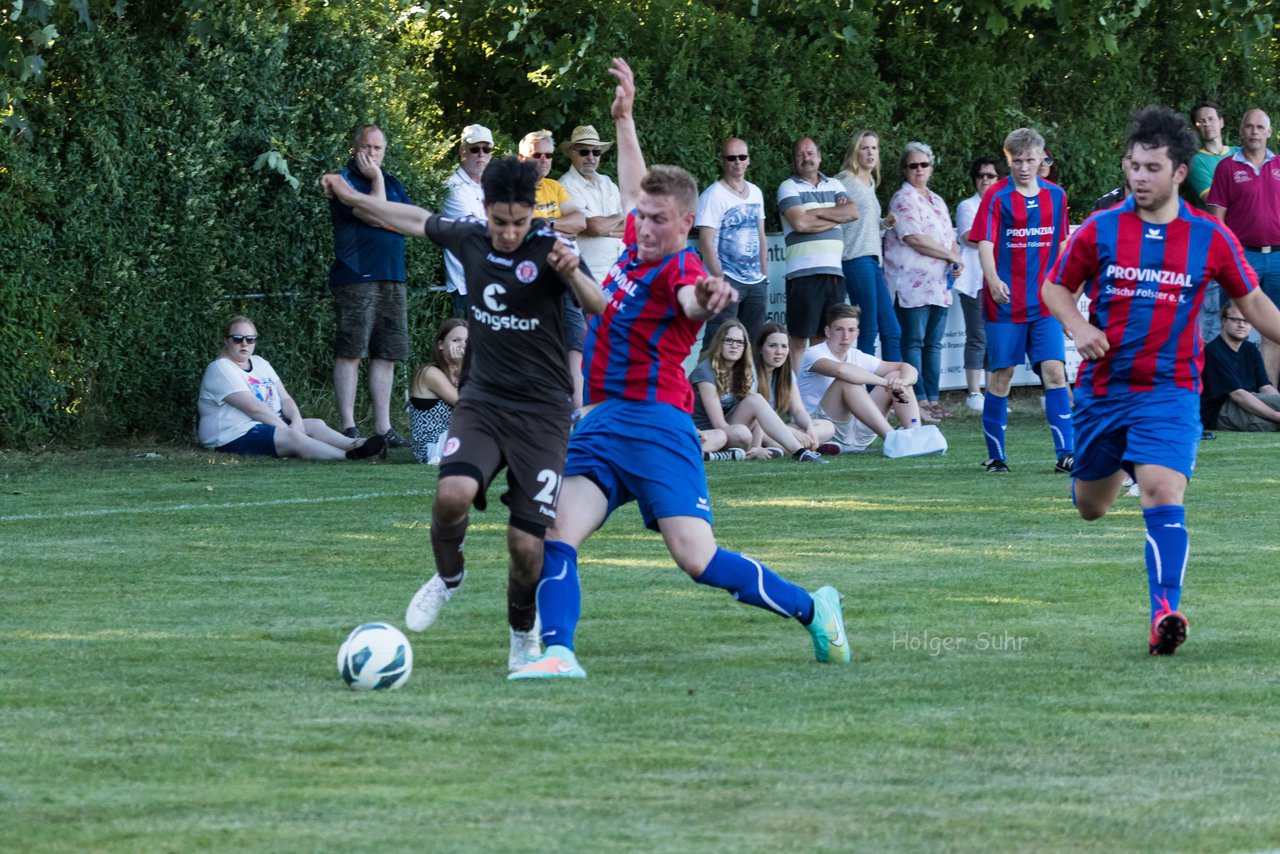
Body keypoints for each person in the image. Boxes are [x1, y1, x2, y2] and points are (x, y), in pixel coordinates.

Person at [510, 57, 850, 680]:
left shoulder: (681, 270)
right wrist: (625, 119)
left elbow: (693, 300)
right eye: (640, 216)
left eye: (657, 220)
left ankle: (812, 607)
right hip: (602, 424)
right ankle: (558, 653)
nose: (642, 224)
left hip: (657, 427)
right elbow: (633, 198)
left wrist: (711, 300)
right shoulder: (631, 261)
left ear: (685, 225)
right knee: (556, 535)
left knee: (697, 558)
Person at [321, 155, 607, 674]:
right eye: (501, 222)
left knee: (525, 545)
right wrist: (352, 196)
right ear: (486, 211)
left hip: (543, 415)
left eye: (520, 223)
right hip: (483, 401)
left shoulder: (552, 248)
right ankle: (448, 578)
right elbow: (409, 218)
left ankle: (522, 635)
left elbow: (600, 305)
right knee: (451, 493)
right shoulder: (470, 236)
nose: (509, 233)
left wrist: (573, 274)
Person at [1042, 104, 1280, 656]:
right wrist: (1077, 326)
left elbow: (1257, 305)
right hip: (1104, 392)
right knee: (1090, 507)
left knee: (1164, 490)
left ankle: (1164, 613)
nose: (1139, 177)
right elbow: (1057, 288)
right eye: (1133, 166)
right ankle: (1117, 467)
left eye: (1151, 168)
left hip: (1172, 391)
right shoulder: (1101, 229)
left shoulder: (1210, 236)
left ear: (1179, 172)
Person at [970, 128, 1073, 474]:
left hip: (1044, 304)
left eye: (1031, 159)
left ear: (1043, 158)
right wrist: (994, 278)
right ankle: (996, 456)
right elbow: (984, 242)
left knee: (1055, 373)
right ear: (1008, 160)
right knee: (1002, 376)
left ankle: (1067, 454)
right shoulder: (996, 197)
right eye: (1017, 160)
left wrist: (1065, 286)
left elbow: (1061, 244)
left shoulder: (1056, 196)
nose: (1025, 167)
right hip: (1006, 303)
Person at [326, 123, 411, 448]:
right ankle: (348, 426)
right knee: (351, 351)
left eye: (377, 149)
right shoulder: (343, 180)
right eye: (366, 147)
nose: (371, 154)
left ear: (384, 152)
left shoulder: (393, 182)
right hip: (355, 275)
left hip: (393, 275)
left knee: (386, 353)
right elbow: (377, 216)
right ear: (354, 148)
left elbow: (405, 219)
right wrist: (377, 188)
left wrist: (389, 216)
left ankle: (383, 427)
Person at [198, 316, 386, 460]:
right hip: (232, 435)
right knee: (293, 437)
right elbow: (254, 408)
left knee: (315, 424)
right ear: (226, 340)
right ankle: (346, 456)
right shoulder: (220, 368)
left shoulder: (259, 362)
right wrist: (290, 429)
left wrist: (296, 420)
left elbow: (285, 398)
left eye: (250, 339)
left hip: (265, 425)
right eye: (238, 339)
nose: (245, 344)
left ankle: (359, 444)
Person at [884, 141, 960, 422]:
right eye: (913, 165)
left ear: (931, 167)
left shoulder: (937, 200)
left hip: (938, 283)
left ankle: (933, 398)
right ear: (905, 170)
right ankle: (917, 399)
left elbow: (949, 236)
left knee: (933, 344)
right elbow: (913, 238)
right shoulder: (902, 198)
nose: (919, 169)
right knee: (913, 342)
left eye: (923, 164)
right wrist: (952, 256)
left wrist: (955, 258)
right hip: (910, 283)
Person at [1207, 109, 1280, 385]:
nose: (1254, 132)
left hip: (1277, 258)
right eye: (1249, 126)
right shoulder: (1227, 168)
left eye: (1260, 127)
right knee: (1233, 324)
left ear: (1269, 132)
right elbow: (1217, 220)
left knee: (1275, 330)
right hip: (1242, 257)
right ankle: (1232, 391)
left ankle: (1269, 393)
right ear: (1240, 131)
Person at [519, 129, 589, 409]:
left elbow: (580, 221)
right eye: (538, 155)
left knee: (577, 339)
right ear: (522, 158)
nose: (545, 160)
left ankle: (577, 410)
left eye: (548, 155)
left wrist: (545, 225)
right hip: (531, 279)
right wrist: (559, 226)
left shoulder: (554, 187)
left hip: (566, 275)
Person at [690, 320, 827, 462]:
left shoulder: (744, 370)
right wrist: (752, 444)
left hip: (731, 428)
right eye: (728, 340)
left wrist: (757, 447)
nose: (734, 345)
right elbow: (719, 424)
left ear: (745, 346)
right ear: (719, 343)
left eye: (739, 342)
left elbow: (756, 414)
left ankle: (799, 452)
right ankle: (728, 453)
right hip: (707, 432)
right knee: (739, 433)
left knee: (756, 400)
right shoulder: (705, 371)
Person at [797, 304, 925, 455]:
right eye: (839, 329)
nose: (845, 336)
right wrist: (886, 383)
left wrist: (902, 382)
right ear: (828, 331)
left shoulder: (858, 355)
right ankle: (894, 439)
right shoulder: (814, 353)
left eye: (851, 330)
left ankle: (915, 435)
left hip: (861, 429)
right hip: (825, 428)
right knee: (847, 382)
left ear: (857, 333)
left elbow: (908, 368)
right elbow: (842, 370)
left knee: (896, 376)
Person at [778, 136, 860, 371]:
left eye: (811, 153)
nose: (806, 158)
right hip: (803, 274)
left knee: (825, 339)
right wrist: (835, 214)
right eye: (801, 154)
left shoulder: (834, 184)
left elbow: (853, 212)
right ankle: (795, 396)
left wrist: (814, 213)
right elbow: (800, 223)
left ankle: (819, 396)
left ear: (819, 156)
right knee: (799, 339)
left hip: (833, 272)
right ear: (794, 159)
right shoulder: (788, 186)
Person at [695, 137, 769, 349]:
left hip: (756, 281)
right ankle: (705, 382)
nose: (737, 162)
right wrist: (720, 278)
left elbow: (761, 235)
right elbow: (706, 242)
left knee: (752, 344)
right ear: (722, 161)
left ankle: (746, 383)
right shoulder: (713, 195)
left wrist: (763, 275)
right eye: (731, 157)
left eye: (742, 157)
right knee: (718, 342)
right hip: (728, 279)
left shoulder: (756, 192)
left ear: (748, 160)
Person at [836, 130, 902, 360]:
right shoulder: (844, 180)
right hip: (855, 259)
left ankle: (894, 391)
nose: (870, 152)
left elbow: (862, 221)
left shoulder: (870, 182)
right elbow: (840, 217)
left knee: (892, 330)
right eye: (865, 147)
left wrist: (884, 223)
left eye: (874, 148)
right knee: (868, 329)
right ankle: (863, 392)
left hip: (873, 261)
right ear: (855, 152)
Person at [954, 156, 1001, 411]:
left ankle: (993, 393)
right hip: (974, 278)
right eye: (981, 175)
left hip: (999, 278)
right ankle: (974, 393)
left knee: (995, 336)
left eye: (990, 175)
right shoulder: (968, 206)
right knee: (978, 336)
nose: (985, 179)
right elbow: (969, 237)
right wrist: (999, 235)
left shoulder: (1005, 203)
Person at [1187, 102, 1237, 342]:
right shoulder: (1197, 162)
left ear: (1221, 121)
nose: (1206, 124)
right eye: (1200, 121)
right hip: (1213, 245)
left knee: (1242, 314)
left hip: (1247, 244)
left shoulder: (1238, 152)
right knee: (1211, 315)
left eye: (1210, 118)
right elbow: (1214, 200)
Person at [560, 125, 626, 286]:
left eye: (596, 152)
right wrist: (620, 216)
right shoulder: (565, 186)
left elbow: (632, 224)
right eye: (584, 151)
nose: (591, 157)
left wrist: (606, 228)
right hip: (590, 275)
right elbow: (593, 227)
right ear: (571, 153)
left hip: (620, 271)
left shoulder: (607, 182)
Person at [753, 322, 835, 450]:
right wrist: (793, 433)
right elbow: (756, 421)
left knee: (828, 427)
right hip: (754, 429)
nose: (779, 352)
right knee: (768, 435)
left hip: (776, 429)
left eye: (784, 346)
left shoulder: (786, 373)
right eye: (772, 346)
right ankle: (805, 445)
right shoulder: (750, 372)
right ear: (760, 348)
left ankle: (799, 444)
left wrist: (810, 428)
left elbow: (798, 410)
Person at [441, 124, 494, 318]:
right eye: (475, 149)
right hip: (466, 286)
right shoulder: (451, 186)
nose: (481, 154)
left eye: (486, 149)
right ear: (462, 151)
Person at [1201, 303, 1280, 431]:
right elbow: (1238, 395)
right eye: (1236, 320)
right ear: (1224, 321)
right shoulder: (1213, 351)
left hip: (1250, 399)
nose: (1242, 325)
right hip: (1221, 410)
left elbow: (1265, 386)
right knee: (1273, 425)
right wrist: (1275, 415)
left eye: (1246, 321)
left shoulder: (1250, 348)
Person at [407, 318, 468, 464]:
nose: (462, 346)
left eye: (467, 342)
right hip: (432, 446)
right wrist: (461, 367)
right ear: (441, 345)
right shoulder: (429, 372)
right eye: (456, 340)